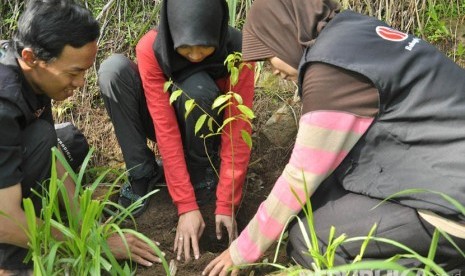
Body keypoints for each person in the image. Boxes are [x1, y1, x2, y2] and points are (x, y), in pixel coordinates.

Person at [203, 0, 465, 274]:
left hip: (451, 210)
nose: (273, 70)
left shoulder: (330, 71)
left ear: (284, 33)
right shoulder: (355, 31)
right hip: (447, 173)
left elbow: (299, 179)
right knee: (323, 199)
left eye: (268, 59)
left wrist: (241, 252)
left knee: (309, 239)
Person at [0, 0, 162, 274]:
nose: (80, 83)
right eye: (74, 72)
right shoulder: (4, 104)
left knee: (56, 141)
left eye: (85, 71)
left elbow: (52, 153)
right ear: (31, 58)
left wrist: (88, 224)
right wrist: (90, 242)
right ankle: (10, 264)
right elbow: (4, 223)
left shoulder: (33, 74)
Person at [98, 0, 254, 262]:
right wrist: (185, 206)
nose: (194, 56)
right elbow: (164, 127)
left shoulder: (237, 49)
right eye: (185, 48)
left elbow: (237, 128)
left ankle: (202, 171)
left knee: (198, 89)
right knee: (113, 71)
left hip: (208, 126)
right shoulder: (152, 48)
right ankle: (142, 175)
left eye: (204, 47)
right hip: (165, 117)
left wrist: (227, 201)